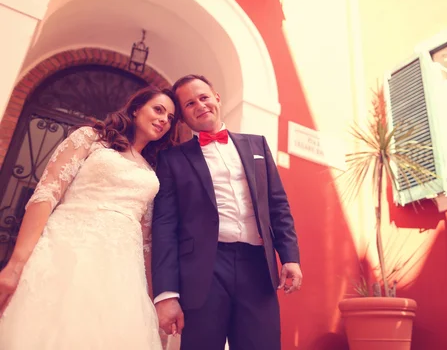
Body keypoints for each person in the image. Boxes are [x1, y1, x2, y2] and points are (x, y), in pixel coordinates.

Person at [0, 86, 179, 350]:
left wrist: (153, 299)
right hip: (67, 250)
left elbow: (146, 239)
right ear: (135, 108)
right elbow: (46, 194)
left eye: (171, 118)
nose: (164, 120)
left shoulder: (152, 170)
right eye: (158, 109)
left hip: (122, 272)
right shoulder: (91, 138)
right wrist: (16, 265)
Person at [152, 74, 302, 350]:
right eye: (189, 104)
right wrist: (166, 294)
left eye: (204, 97)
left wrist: (289, 256)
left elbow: (277, 204)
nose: (200, 105)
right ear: (183, 118)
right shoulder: (171, 160)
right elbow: (164, 227)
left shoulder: (257, 145)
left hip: (257, 265)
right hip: (203, 271)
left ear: (217, 98)